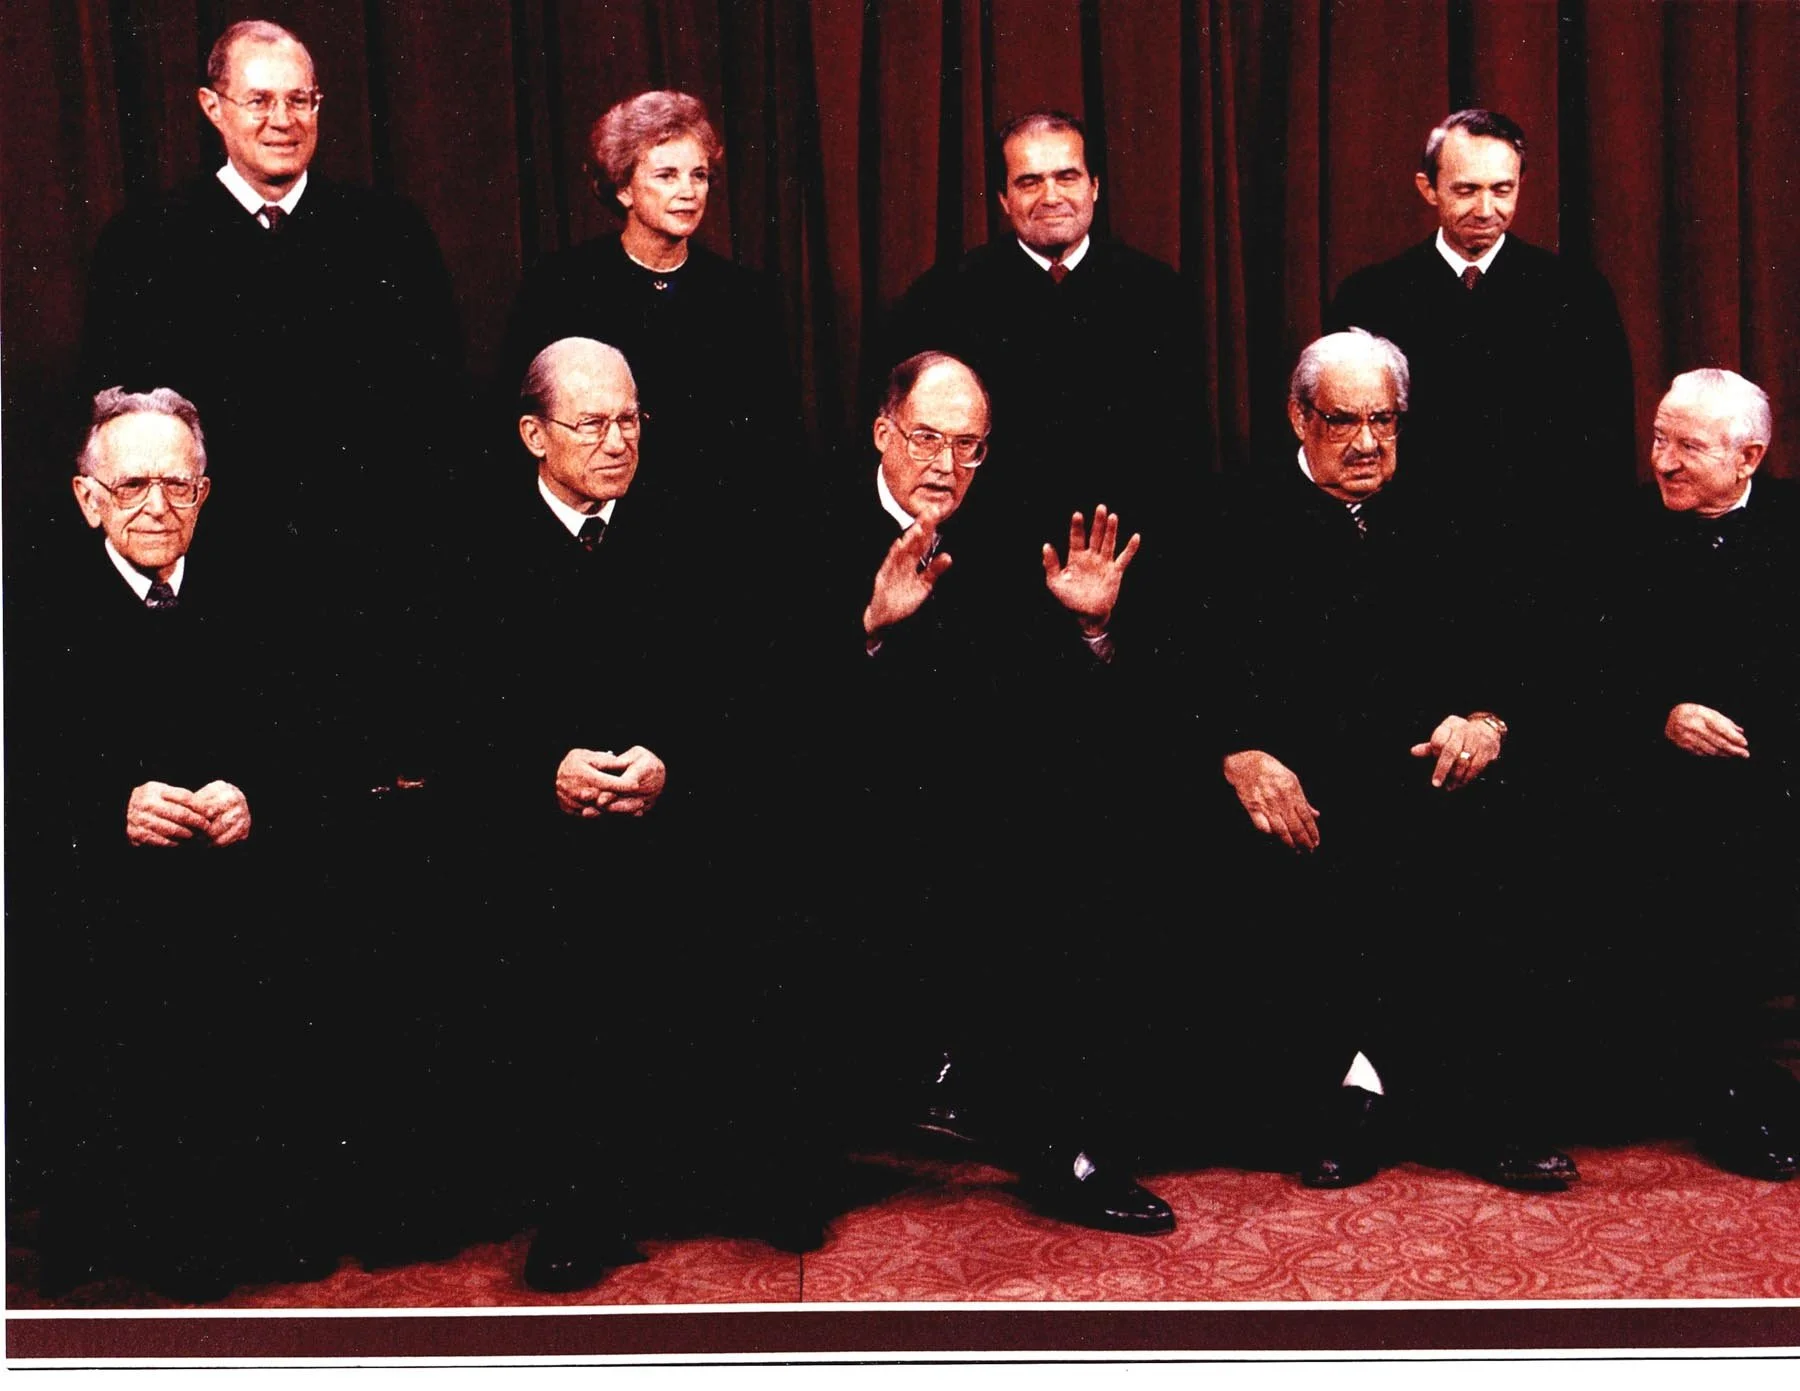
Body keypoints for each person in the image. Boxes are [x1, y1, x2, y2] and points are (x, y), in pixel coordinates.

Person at [438, 337, 813, 1293]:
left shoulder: (695, 526)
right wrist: (542, 769)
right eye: (592, 423)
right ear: (532, 434)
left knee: (756, 889)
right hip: (531, 821)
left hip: (672, 809)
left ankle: (744, 1173)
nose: (617, 442)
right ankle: (577, 1202)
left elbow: (741, 685)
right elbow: (448, 705)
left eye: (631, 420)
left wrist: (669, 761)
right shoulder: (471, 539)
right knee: (550, 932)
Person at [882, 109, 1201, 1129]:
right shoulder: (949, 297)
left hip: (1121, 610)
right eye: (1029, 181)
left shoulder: (1158, 295)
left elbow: (1182, 467)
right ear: (1002, 197)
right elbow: (929, 470)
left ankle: (1107, 1085)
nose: (1051, 194)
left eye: (1068, 175)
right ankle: (964, 1072)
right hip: (982, 606)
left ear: (1097, 186)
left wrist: (1121, 615)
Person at [812, 350, 1173, 1235]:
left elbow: (1056, 706)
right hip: (835, 801)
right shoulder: (806, 518)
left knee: (1074, 860)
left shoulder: (1010, 528)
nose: (945, 464)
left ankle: (1064, 1145)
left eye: (968, 446)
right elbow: (761, 700)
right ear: (882, 433)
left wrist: (1090, 628)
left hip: (978, 806)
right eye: (927, 439)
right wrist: (863, 629)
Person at [1206, 330, 1572, 1193]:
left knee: (1505, 837)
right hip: (1300, 778)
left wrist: (1487, 719)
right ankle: (1356, 1095)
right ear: (1299, 416)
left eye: (1385, 420)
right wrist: (1239, 752)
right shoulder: (1232, 514)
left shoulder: (1452, 509)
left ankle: (1454, 1103)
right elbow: (1193, 665)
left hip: (1428, 771)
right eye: (1344, 420)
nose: (1368, 442)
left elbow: (1515, 648)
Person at [6, 388, 335, 1301]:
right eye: (134, 485)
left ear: (206, 491)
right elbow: (17, 773)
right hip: (95, 901)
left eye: (179, 486)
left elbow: (316, 746)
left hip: (237, 890)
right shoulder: (31, 609)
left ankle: (247, 1218)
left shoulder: (260, 598)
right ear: (88, 499)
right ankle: (125, 1226)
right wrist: (108, 806)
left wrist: (254, 795)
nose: (158, 507)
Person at [1595, 368, 1800, 1179]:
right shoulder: (1620, 530)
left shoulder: (1792, 526)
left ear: (1749, 456)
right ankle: (1710, 1081)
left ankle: (1734, 1081)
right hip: (1652, 780)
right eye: (1658, 439)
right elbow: (1584, 663)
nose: (1665, 462)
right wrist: (1662, 712)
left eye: (1688, 446)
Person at [498, 89, 799, 526]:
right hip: (605, 529)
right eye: (666, 175)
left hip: (720, 528)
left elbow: (777, 439)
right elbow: (519, 423)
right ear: (623, 188)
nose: (689, 192)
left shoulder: (745, 296)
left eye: (699, 176)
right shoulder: (561, 286)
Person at [1325, 108, 1635, 520]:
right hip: (1408, 545)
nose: (1486, 209)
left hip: (1544, 549)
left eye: (1502, 190)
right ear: (1428, 188)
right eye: (1467, 190)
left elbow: (1608, 445)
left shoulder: (1577, 295)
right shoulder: (1370, 296)